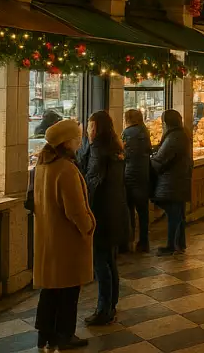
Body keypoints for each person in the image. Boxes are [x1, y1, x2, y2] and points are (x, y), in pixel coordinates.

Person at [32, 118, 95, 350]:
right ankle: (65, 335)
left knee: (50, 290)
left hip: (49, 239)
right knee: (69, 292)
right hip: (66, 242)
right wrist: (88, 227)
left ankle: (44, 334)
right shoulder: (66, 169)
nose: (80, 141)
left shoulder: (43, 165)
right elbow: (75, 210)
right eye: (77, 138)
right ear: (67, 142)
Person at [77, 111, 128, 326]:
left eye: (90, 126)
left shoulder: (98, 149)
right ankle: (111, 304)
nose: (88, 131)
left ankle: (103, 309)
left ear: (96, 128)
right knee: (109, 260)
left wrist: (83, 205)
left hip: (101, 212)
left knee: (101, 262)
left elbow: (93, 180)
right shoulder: (115, 147)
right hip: (115, 210)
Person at [150, 110, 192, 255]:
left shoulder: (174, 137)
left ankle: (172, 245)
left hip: (172, 182)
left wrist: (150, 159)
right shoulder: (181, 134)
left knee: (174, 214)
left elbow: (161, 159)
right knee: (177, 214)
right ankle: (179, 244)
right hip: (178, 181)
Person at [121, 109, 152, 253]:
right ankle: (144, 241)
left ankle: (129, 240)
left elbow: (125, 154)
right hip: (143, 175)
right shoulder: (144, 131)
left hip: (130, 175)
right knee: (143, 211)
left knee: (129, 210)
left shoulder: (127, 133)